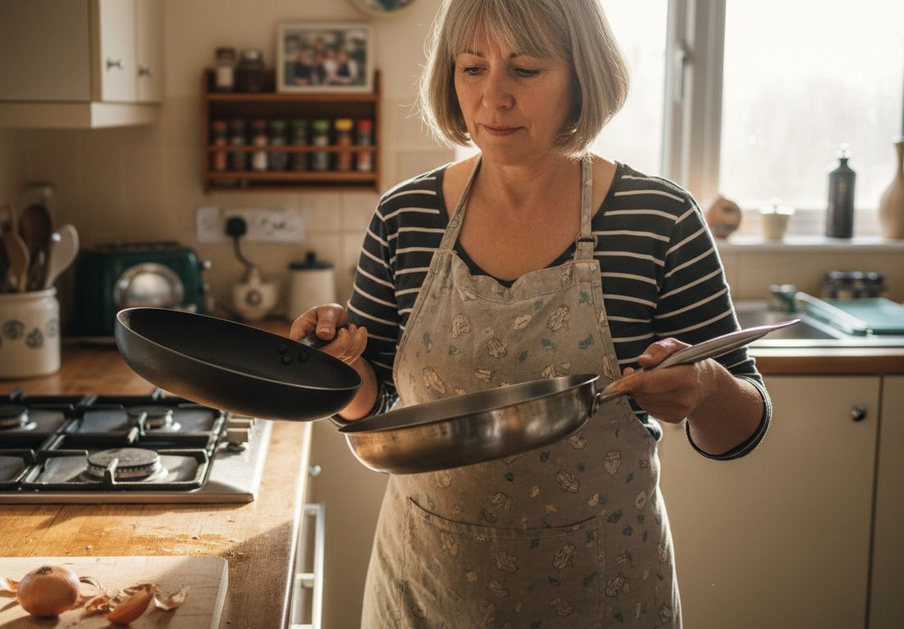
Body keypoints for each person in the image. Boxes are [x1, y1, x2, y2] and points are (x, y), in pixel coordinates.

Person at [290, 0, 771, 627]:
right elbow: (374, 411)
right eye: (471, 68)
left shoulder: (660, 220)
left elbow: (742, 429)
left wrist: (707, 387)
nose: (493, 98)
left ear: (581, 76)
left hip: (602, 589)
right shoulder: (404, 217)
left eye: (525, 70)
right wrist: (335, 367)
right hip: (427, 589)